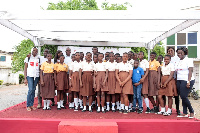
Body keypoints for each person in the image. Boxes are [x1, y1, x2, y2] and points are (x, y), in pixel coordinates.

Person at [176, 47, 195, 118]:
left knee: (184, 96)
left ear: (184, 53)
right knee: (182, 96)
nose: (179, 54)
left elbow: (190, 71)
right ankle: (184, 113)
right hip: (179, 80)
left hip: (187, 80)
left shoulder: (188, 60)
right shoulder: (178, 61)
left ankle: (192, 111)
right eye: (178, 53)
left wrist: (188, 81)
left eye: (181, 53)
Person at [24, 47, 40, 111]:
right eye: (33, 50)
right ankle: (28, 105)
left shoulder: (39, 58)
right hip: (30, 76)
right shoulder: (28, 58)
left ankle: (31, 105)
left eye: (36, 51)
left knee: (33, 90)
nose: (35, 52)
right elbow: (25, 69)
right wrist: (25, 78)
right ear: (31, 51)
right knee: (30, 90)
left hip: (36, 76)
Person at [167, 47, 180, 115]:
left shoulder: (177, 59)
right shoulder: (166, 59)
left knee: (176, 95)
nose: (170, 52)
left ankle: (177, 109)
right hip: (168, 79)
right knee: (169, 95)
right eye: (168, 51)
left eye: (171, 50)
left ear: (174, 51)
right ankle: (169, 109)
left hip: (176, 79)